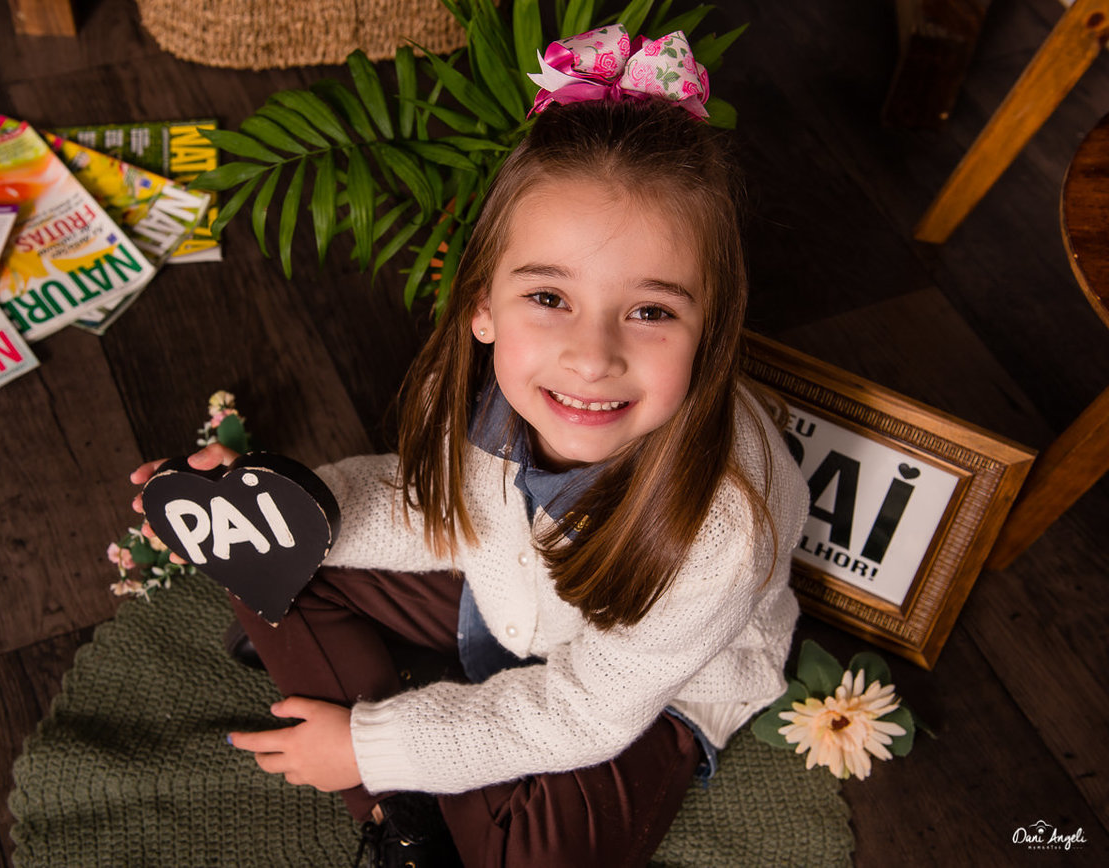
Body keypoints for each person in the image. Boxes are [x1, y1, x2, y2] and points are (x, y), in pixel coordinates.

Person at [132, 26, 810, 868]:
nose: (592, 357)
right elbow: (429, 506)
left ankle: (398, 769)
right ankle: (407, 823)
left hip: (651, 693)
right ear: (483, 305)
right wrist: (274, 507)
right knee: (271, 554)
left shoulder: (722, 528)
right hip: (506, 596)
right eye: (549, 297)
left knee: (534, 853)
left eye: (651, 311)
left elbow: (584, 712)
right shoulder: (487, 392)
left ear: (712, 334)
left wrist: (368, 747)